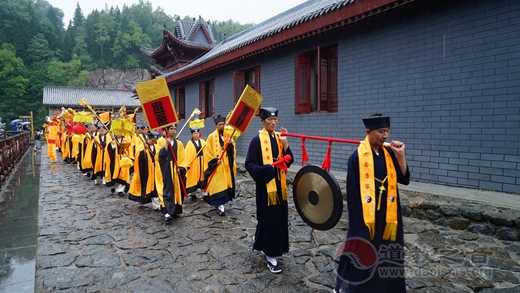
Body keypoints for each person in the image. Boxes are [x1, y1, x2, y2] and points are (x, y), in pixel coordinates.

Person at [335, 114, 410, 293]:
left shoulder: (390, 153)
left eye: (387, 132)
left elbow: (404, 179)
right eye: (380, 132)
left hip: (389, 216)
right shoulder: (357, 158)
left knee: (388, 254)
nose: (385, 136)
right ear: (368, 131)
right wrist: (358, 224)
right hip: (367, 219)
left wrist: (401, 156)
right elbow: (353, 196)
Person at [245, 107, 293, 274]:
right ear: (263, 122)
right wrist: (265, 171)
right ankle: (271, 255)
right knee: (268, 220)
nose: (273, 123)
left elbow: (289, 161)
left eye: (275, 120)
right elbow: (249, 164)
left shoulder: (280, 138)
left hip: (280, 189)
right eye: (269, 120)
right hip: (266, 190)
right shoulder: (256, 141)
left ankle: (271, 247)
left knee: (279, 220)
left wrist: (286, 146)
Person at [203, 115, 236, 216]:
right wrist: (214, 161)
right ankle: (219, 205)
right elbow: (207, 152)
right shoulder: (211, 137)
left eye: (223, 124)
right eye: (219, 124)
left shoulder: (228, 135)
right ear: (216, 126)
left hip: (225, 166)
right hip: (216, 166)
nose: (222, 126)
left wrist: (230, 145)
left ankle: (221, 204)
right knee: (217, 186)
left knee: (224, 185)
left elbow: (233, 150)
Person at [158, 124, 186, 223]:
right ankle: (167, 212)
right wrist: (165, 147)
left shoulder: (179, 143)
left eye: (174, 129)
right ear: (167, 130)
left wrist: (181, 167)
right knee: (167, 189)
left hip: (175, 170)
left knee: (176, 190)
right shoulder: (161, 141)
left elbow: (182, 157)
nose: (173, 131)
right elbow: (158, 157)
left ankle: (174, 210)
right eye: (171, 129)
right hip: (165, 169)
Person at [128, 125, 156, 204]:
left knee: (155, 187)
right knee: (145, 184)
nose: (153, 141)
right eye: (151, 139)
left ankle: (155, 203)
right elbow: (137, 152)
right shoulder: (142, 146)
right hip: (145, 169)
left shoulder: (156, 147)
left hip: (155, 170)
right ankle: (143, 198)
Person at [183, 123, 206, 201]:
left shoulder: (203, 142)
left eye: (197, 133)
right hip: (193, 164)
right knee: (193, 178)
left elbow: (206, 151)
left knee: (201, 177)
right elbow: (187, 155)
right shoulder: (189, 144)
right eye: (194, 133)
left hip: (202, 162)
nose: (196, 135)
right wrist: (187, 165)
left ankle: (201, 192)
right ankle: (193, 194)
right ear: (192, 134)